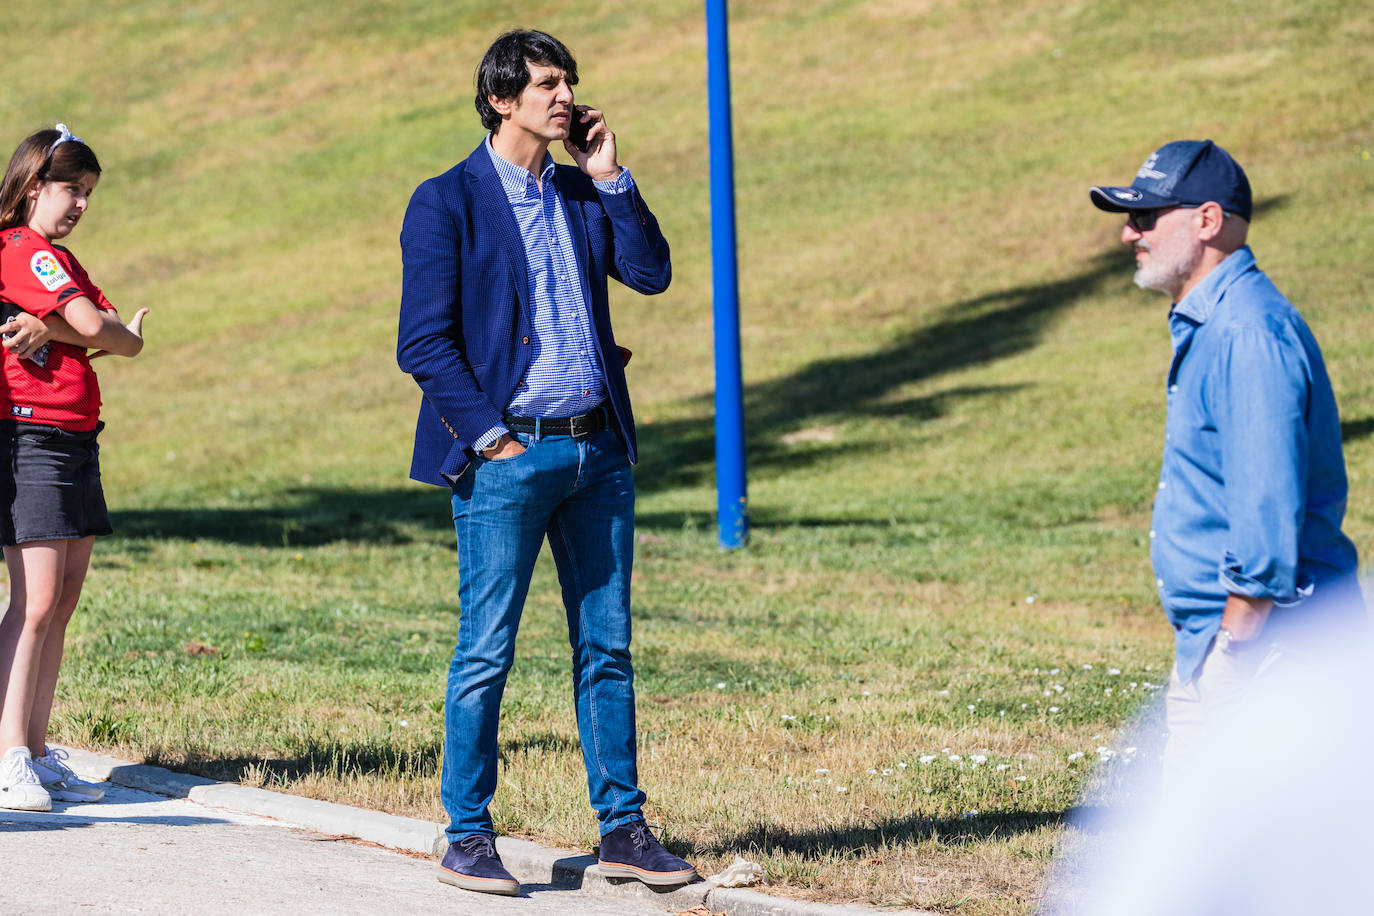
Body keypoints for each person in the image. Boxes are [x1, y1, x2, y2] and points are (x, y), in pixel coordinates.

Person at [397, 30, 695, 896]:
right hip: (508, 456)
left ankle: (624, 831)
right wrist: (492, 439)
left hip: (598, 450)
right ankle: (466, 833)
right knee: (486, 650)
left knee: (608, 646)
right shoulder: (445, 201)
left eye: (568, 82)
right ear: (501, 98)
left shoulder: (576, 190)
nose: (564, 96)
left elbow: (650, 273)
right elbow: (424, 343)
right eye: (546, 84)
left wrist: (609, 176)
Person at [1089, 140, 1364, 786]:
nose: (1130, 232)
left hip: (1267, 654)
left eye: (1148, 216)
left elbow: (1266, 519)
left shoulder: (1246, 334)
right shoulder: (1216, 326)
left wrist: (1233, 656)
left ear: (1207, 221)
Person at [0, 125, 148, 811]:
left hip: (77, 439)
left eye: (87, 193)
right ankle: (8, 756)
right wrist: (84, 328)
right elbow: (99, 330)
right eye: (70, 189)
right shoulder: (24, 251)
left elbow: (125, 340)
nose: (80, 204)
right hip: (31, 439)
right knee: (32, 605)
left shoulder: (63, 262)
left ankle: (35, 748)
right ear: (34, 186)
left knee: (61, 602)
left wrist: (50, 324)